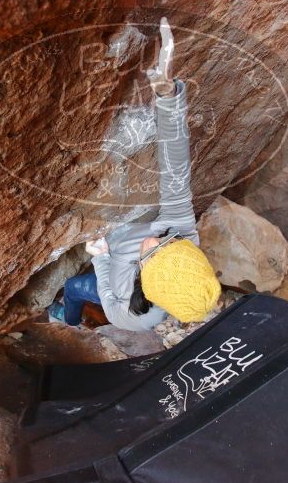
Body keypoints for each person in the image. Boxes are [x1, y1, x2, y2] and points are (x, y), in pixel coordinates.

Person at [48, 17, 221, 331]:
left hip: (111, 272)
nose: (155, 238)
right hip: (119, 245)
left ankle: (66, 321)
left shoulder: (128, 315)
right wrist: (168, 97)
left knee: (74, 288)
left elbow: (108, 292)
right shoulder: (180, 234)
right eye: (167, 242)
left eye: (153, 250)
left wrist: (100, 256)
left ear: (149, 279)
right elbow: (175, 168)